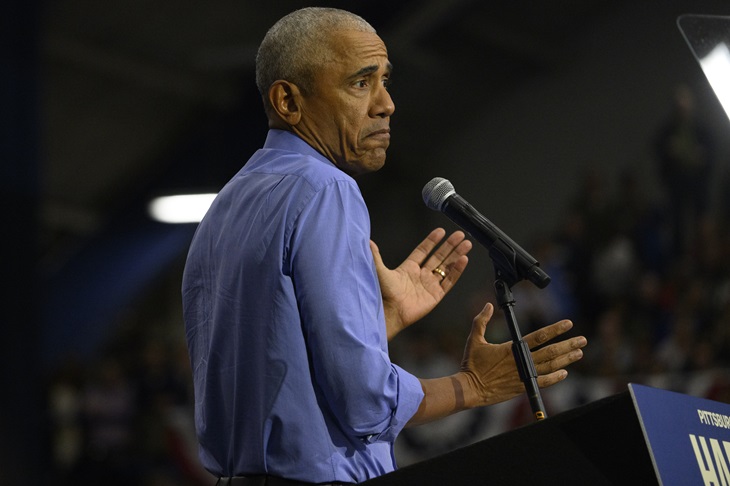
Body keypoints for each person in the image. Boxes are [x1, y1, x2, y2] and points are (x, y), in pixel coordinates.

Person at [182, 7, 587, 486]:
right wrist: (474, 385)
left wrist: (380, 321)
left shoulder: (223, 208)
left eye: (385, 81)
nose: (387, 104)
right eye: (360, 83)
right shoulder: (326, 189)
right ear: (288, 101)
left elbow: (274, 366)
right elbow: (362, 403)